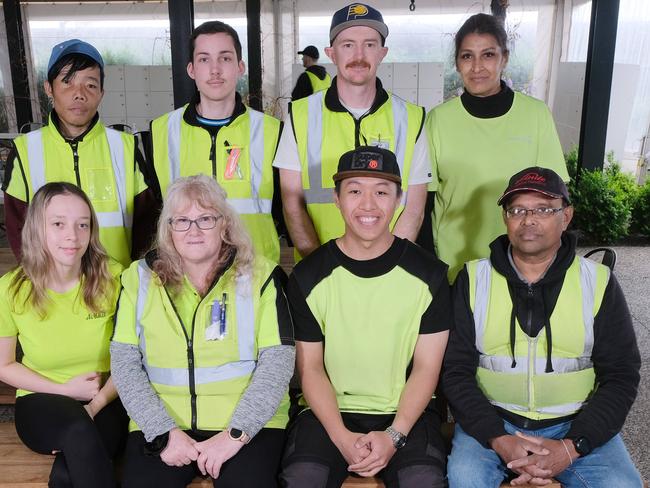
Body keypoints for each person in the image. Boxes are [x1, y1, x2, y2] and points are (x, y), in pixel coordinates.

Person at [443, 167, 642, 487]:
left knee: (622, 484)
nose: (528, 219)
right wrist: (497, 438)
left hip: (574, 427)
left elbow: (622, 374)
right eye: (517, 209)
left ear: (566, 216)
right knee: (465, 478)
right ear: (505, 217)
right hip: (492, 424)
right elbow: (454, 370)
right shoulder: (472, 279)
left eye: (544, 209)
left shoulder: (597, 281)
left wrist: (572, 446)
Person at [280, 147, 450, 488]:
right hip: (330, 412)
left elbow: (427, 368)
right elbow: (310, 368)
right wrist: (342, 438)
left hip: (406, 413)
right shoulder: (308, 277)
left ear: (399, 198)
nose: (369, 205)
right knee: (302, 478)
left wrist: (394, 435)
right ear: (337, 199)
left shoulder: (430, 274)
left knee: (422, 480)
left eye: (382, 192)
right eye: (355, 191)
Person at [110, 174, 294, 488]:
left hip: (248, 427)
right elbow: (125, 365)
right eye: (181, 220)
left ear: (225, 224)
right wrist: (163, 432)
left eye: (206, 218)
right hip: (162, 425)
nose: (193, 230)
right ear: (167, 228)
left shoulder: (263, 275)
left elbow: (277, 363)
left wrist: (236, 434)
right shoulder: (138, 279)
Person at [274, 3, 431, 259]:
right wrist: (321, 268)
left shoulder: (412, 118)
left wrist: (389, 265)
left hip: (389, 273)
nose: (359, 55)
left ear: (382, 52)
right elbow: (292, 204)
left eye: (369, 44)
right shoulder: (299, 116)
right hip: (320, 272)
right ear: (331, 53)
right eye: (347, 45)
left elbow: (414, 209)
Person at [422, 13, 569, 280]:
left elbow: (555, 194)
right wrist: (428, 267)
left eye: (488, 54)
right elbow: (425, 202)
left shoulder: (535, 115)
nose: (477, 66)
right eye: (467, 56)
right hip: (455, 264)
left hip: (522, 263)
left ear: (505, 58)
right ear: (457, 63)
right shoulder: (438, 120)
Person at [0, 182, 127, 487]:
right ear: (37, 229)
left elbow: (132, 358)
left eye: (82, 225)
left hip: (107, 396)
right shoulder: (11, 288)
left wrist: (95, 404)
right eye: (58, 224)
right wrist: (66, 391)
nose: (72, 235)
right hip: (40, 400)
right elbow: (4, 365)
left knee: (66, 476)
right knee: (78, 430)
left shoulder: (114, 277)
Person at [2, 39, 157, 267]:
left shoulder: (125, 148)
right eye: (67, 82)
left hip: (116, 289)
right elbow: (18, 229)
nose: (79, 94)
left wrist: (132, 280)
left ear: (102, 93)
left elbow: (147, 223)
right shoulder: (26, 151)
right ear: (48, 89)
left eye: (90, 85)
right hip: (51, 292)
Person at [149, 21, 282, 263]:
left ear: (240, 66)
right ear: (191, 69)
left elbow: (283, 211)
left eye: (225, 58)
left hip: (253, 272)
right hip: (186, 277)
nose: (215, 69)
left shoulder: (270, 131)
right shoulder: (161, 132)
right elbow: (155, 214)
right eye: (204, 59)